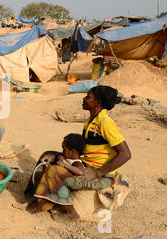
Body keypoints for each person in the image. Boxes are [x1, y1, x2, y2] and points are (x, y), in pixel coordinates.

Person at [18, 85, 132, 219]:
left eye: (88, 97)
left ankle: (71, 213)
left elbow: (126, 154)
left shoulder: (106, 123)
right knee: (46, 155)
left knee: (54, 171)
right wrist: (58, 155)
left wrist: (97, 172)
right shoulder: (90, 121)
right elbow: (81, 150)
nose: (84, 99)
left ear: (98, 102)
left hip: (101, 176)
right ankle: (33, 196)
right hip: (85, 166)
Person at [14, 133, 86, 218]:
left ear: (73, 152)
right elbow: (61, 157)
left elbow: (80, 172)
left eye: (64, 150)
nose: (62, 152)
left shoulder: (77, 162)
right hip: (58, 182)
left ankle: (32, 203)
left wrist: (65, 165)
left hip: (66, 185)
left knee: (49, 174)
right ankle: (31, 200)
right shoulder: (68, 157)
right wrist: (60, 157)